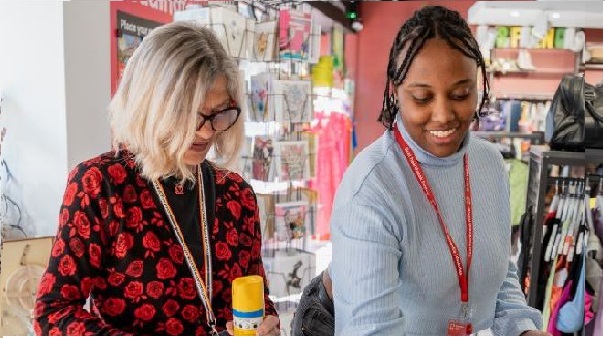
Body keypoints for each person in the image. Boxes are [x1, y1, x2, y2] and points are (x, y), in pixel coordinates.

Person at [33, 22, 279, 336]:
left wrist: (266, 324)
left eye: (219, 113)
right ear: (148, 105)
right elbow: (53, 313)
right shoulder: (100, 185)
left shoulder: (236, 194)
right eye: (190, 114)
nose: (207, 131)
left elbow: (256, 298)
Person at [327, 6, 547, 336]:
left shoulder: (489, 164)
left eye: (460, 94)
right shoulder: (371, 190)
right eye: (422, 97)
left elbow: (498, 277)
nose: (443, 114)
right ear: (395, 92)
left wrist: (524, 329)